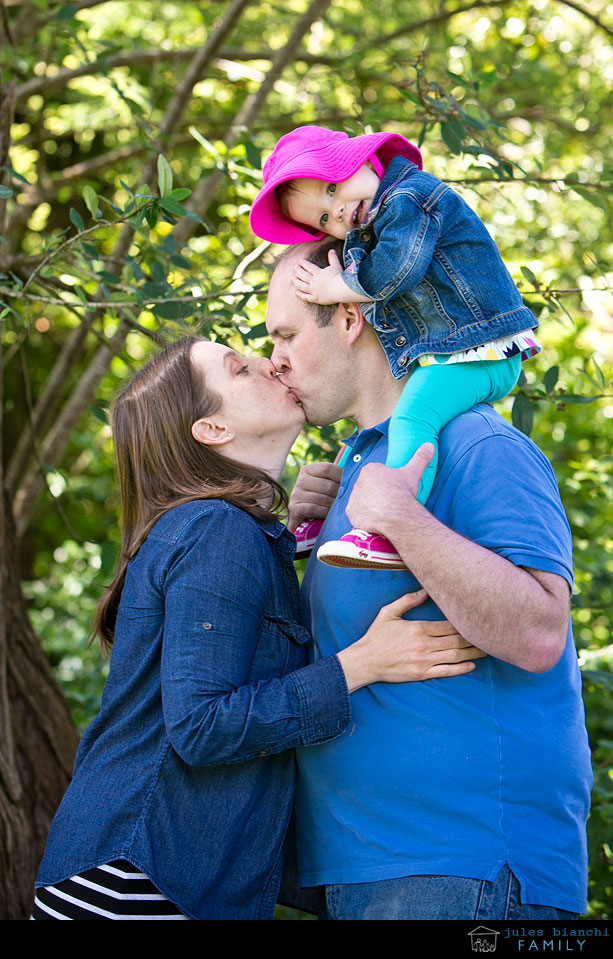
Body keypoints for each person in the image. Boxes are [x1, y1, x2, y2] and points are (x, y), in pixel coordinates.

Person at [32, 336, 483, 921]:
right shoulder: (216, 530)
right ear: (212, 430)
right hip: (137, 878)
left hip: (133, 872)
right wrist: (362, 665)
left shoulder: (218, 531)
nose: (270, 363)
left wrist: (298, 533)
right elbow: (201, 726)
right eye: (239, 370)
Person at [266, 241, 593, 921]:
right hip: (366, 869)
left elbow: (539, 631)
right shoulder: (362, 466)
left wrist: (404, 520)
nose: (277, 359)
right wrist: (302, 534)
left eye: (287, 334)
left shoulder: (476, 443)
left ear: (348, 318)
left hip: (462, 869)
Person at [250, 126, 540, 569]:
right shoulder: (377, 221)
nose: (338, 211)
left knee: (414, 416)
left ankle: (384, 529)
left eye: (332, 187)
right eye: (324, 219)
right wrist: (334, 498)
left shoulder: (409, 200)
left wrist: (338, 284)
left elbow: (393, 272)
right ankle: (343, 522)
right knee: (372, 437)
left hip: (484, 350)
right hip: (456, 352)